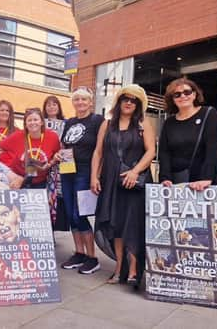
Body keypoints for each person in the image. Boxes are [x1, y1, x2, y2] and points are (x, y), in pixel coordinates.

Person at [91, 85, 155, 287]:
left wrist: (135, 172)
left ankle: (134, 270)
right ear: (119, 102)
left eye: (134, 100)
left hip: (134, 182)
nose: (129, 102)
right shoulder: (107, 124)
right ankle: (119, 268)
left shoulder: (143, 123)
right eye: (125, 98)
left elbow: (151, 151)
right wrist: (94, 177)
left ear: (138, 105)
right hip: (111, 181)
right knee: (116, 225)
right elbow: (98, 152)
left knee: (133, 225)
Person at [57, 86, 104, 275]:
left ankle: (92, 257)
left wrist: (96, 175)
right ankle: (79, 253)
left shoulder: (98, 121)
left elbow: (100, 150)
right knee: (70, 213)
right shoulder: (69, 122)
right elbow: (64, 144)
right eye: (77, 99)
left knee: (80, 213)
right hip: (67, 169)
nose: (80, 103)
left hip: (85, 171)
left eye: (84, 99)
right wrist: (59, 155)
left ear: (90, 102)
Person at [158, 78, 217, 191]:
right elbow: (164, 153)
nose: (183, 96)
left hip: (202, 182)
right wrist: (165, 178)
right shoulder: (169, 123)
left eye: (187, 92)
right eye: (177, 94)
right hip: (175, 182)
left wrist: (207, 177)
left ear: (194, 95)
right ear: (172, 99)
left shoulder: (209, 114)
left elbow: (212, 149)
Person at [0, 108, 60, 189]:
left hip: (41, 183)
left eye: (35, 120)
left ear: (42, 122)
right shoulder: (17, 136)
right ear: (25, 123)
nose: (33, 122)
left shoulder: (52, 137)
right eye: (29, 120)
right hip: (18, 181)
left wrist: (51, 162)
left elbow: (57, 154)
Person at [42, 95, 66, 232]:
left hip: (62, 165)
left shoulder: (66, 123)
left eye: (54, 104)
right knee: (44, 196)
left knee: (58, 197)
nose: (51, 107)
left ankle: (53, 229)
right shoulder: (39, 122)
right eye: (48, 104)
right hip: (44, 163)